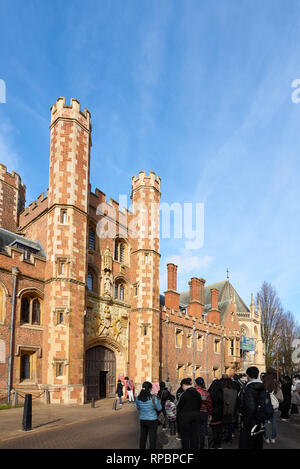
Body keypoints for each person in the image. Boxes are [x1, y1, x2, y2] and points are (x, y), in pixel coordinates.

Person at [238, 366, 271, 449]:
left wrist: (245, 422)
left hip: (250, 421)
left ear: (248, 375)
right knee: (257, 443)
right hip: (260, 420)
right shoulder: (262, 386)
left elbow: (250, 407)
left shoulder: (249, 387)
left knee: (247, 443)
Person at [176, 378, 202, 449]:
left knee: (185, 437)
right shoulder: (197, 393)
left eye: (182, 386)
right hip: (196, 416)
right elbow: (200, 405)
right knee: (194, 436)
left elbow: (179, 407)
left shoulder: (184, 394)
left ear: (184, 385)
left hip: (185, 418)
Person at [136, 381, 162, 449]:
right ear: (150, 389)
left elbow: (138, 407)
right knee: (152, 438)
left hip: (143, 419)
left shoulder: (138, 398)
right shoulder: (153, 398)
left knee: (143, 437)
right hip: (152, 420)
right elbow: (159, 408)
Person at [262, 373, 283, 444]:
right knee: (274, 423)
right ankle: (273, 438)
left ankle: (267, 438)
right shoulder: (277, 387)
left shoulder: (263, 387)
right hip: (275, 408)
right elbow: (281, 399)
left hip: (265, 408)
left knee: (265, 423)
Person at [195, 377, 212, 449]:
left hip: (195, 412)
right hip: (204, 412)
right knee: (204, 429)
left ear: (196, 383)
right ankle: (203, 445)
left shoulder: (193, 392)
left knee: (196, 428)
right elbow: (209, 404)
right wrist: (210, 413)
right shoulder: (206, 393)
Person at [208, 379, 224, 449]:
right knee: (219, 429)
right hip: (220, 414)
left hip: (212, 413)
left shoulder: (209, 393)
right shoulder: (221, 393)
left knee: (212, 430)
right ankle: (218, 445)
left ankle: (211, 445)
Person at [222, 378, 238, 443]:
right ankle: (230, 435)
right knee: (231, 424)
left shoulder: (224, 390)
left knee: (225, 424)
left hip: (226, 410)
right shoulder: (235, 390)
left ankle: (227, 437)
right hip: (233, 409)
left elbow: (223, 400)